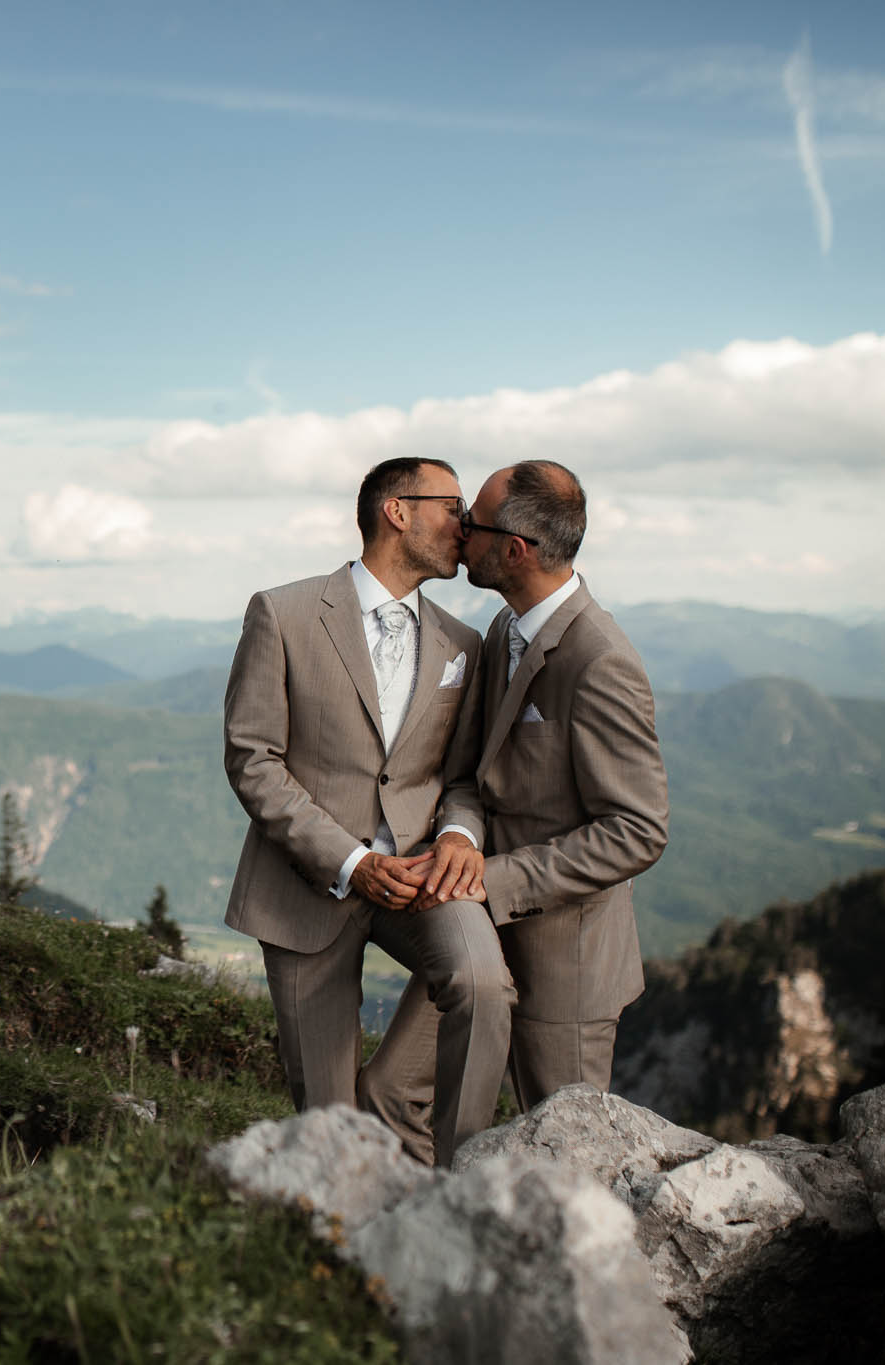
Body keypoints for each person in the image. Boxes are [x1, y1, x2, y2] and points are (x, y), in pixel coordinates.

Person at [362, 459, 669, 1149]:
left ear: (516, 549)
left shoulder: (600, 660)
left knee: (563, 1157)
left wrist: (490, 879)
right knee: (387, 1090)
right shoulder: (505, 630)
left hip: (568, 967)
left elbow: (638, 830)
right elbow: (472, 771)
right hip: (481, 937)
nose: (459, 530)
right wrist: (460, 840)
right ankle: (433, 1244)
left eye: (474, 521)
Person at [222, 456, 514, 1167]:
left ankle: (462, 1178)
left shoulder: (464, 644)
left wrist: (456, 833)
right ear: (398, 510)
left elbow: (467, 777)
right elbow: (252, 757)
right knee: (329, 1132)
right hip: (307, 884)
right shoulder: (282, 612)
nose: (466, 524)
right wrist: (351, 862)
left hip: (421, 876)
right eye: (452, 506)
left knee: (483, 983)